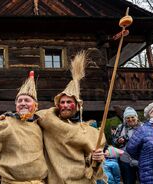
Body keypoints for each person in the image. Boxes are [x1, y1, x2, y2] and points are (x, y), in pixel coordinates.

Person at [36, 51, 106, 184]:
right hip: (55, 180)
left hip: (81, 180)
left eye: (69, 102)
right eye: (62, 102)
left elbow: (90, 160)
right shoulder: (49, 122)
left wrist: (96, 158)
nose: (65, 105)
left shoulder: (88, 131)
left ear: (77, 106)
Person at [112, 106, 140, 184]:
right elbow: (114, 141)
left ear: (136, 117)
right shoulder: (120, 127)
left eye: (132, 117)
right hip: (125, 159)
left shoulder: (143, 127)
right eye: (128, 118)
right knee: (128, 181)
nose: (130, 119)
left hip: (141, 159)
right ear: (124, 119)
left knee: (144, 180)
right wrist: (119, 141)